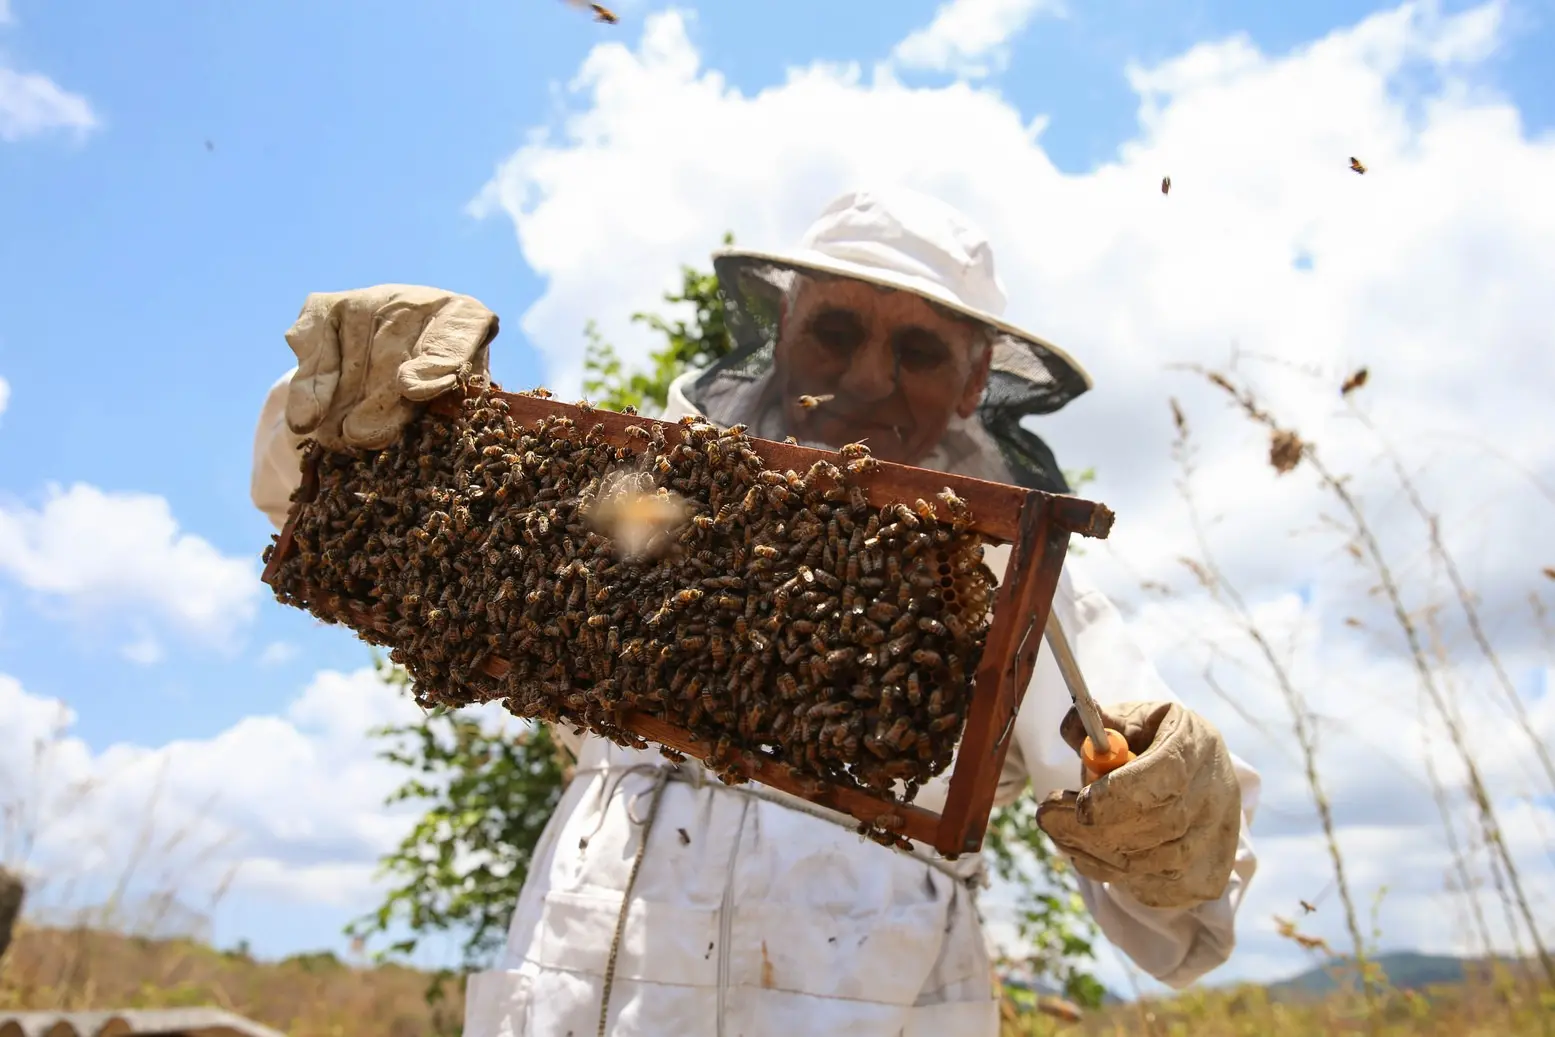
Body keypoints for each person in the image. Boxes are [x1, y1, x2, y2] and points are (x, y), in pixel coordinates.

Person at [251, 186, 1260, 1037]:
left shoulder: (1020, 580)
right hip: (577, 983)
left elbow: (1177, 918)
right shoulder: (653, 502)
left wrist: (1182, 818)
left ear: (975, 381)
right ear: (781, 331)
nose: (867, 376)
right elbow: (372, 522)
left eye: (916, 348)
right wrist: (360, 399)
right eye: (834, 328)